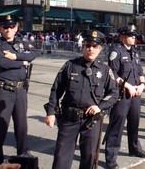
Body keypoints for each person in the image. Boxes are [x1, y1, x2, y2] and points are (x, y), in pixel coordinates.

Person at [44, 30, 118, 169]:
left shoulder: (105, 70)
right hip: (68, 118)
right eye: (88, 45)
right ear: (83, 46)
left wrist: (100, 106)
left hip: (91, 121)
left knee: (89, 158)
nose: (91, 49)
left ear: (100, 49)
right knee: (61, 158)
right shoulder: (70, 65)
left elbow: (114, 93)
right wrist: (50, 112)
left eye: (95, 46)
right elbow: (56, 90)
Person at [0, 15, 39, 168]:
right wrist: (22, 62)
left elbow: (33, 54)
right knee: (0, 127)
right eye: (5, 27)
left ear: (16, 28)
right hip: (3, 90)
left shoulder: (22, 42)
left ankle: (23, 153)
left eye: (11, 27)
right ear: (0, 29)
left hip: (21, 89)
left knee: (22, 125)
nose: (8, 30)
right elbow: (2, 62)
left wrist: (16, 56)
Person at [104, 25, 145, 169]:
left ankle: (134, 148)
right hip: (122, 94)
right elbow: (113, 73)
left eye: (135, 36)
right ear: (123, 37)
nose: (134, 38)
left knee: (134, 123)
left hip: (136, 93)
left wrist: (142, 85)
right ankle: (111, 158)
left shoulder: (135, 53)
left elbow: (140, 71)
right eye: (131, 36)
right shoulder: (116, 52)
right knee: (117, 126)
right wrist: (127, 86)